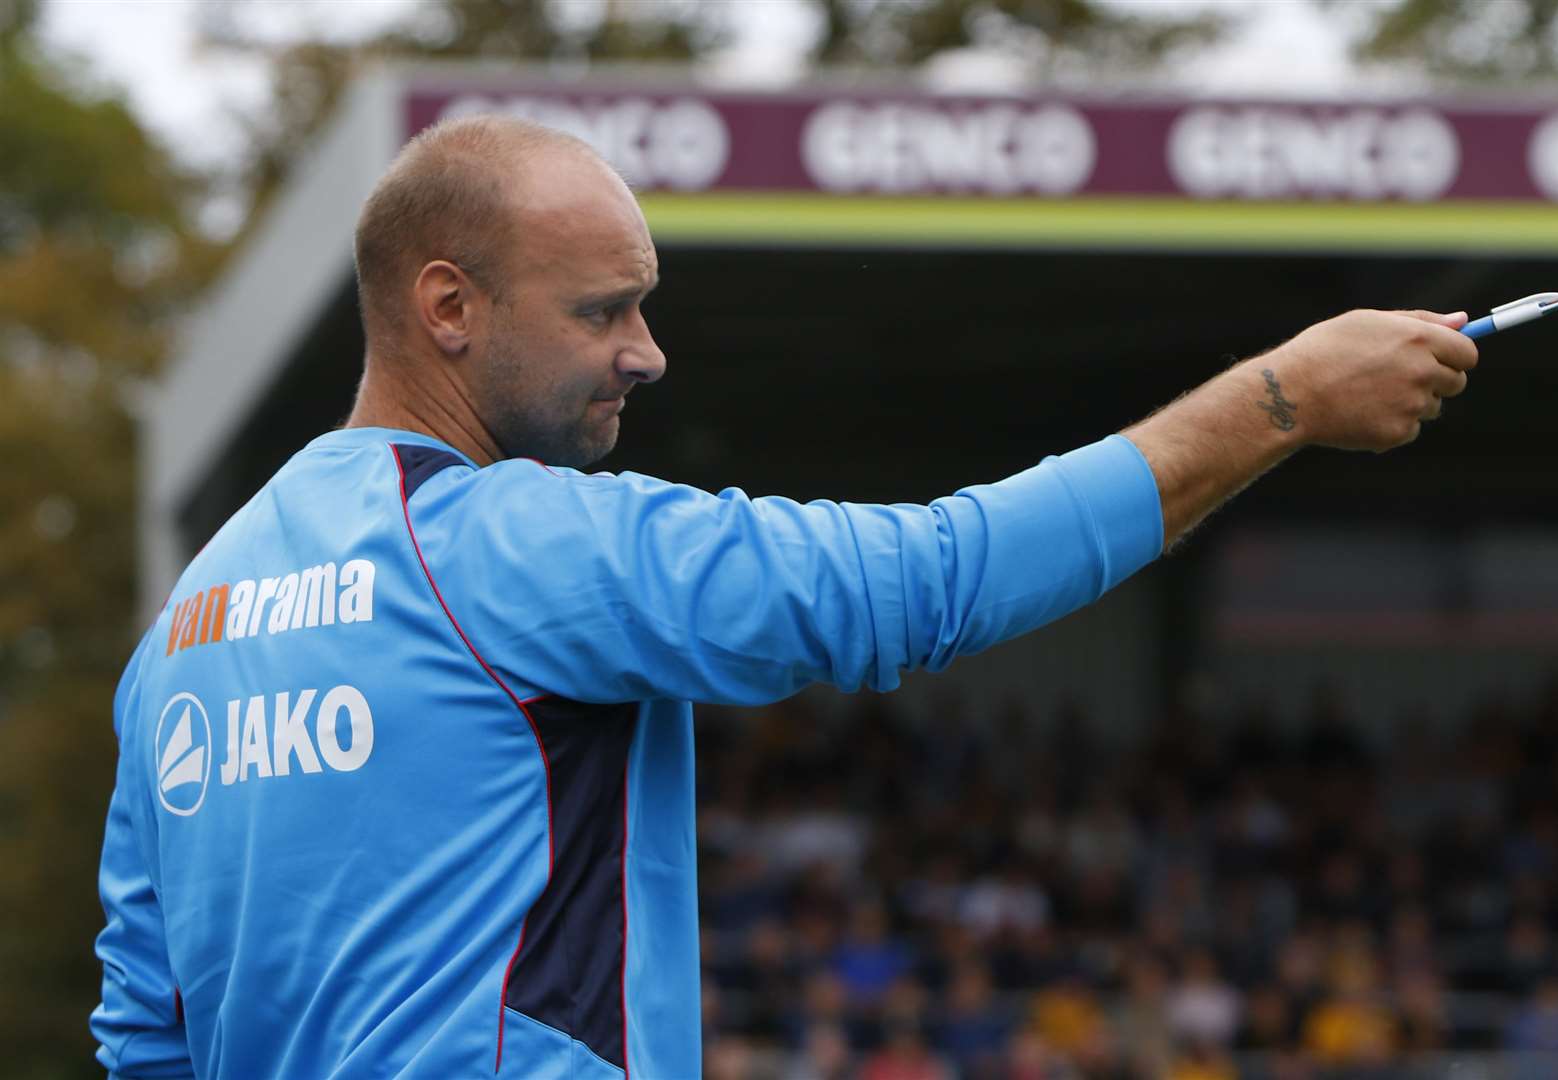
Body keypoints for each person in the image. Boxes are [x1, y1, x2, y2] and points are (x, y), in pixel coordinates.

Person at [90, 115, 1478, 1078]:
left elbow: (145, 1038)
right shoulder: (519, 547)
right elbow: (936, 580)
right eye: (602, 312)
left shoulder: (187, 628)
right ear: (448, 308)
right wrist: (1284, 399)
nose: (648, 354)